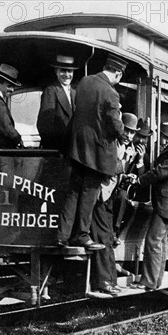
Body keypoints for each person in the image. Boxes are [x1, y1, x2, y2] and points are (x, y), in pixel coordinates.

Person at [57, 56, 128, 250]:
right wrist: (123, 135)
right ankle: (82, 235)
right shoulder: (111, 93)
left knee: (73, 192)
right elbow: (114, 123)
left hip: (77, 148)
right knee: (89, 194)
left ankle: (62, 235)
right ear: (118, 74)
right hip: (97, 154)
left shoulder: (85, 82)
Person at [129, 114, 168, 290]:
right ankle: (155, 281)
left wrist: (139, 180)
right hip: (166, 199)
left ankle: (148, 281)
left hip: (167, 201)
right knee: (160, 241)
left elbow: (160, 172)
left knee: (153, 240)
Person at [89, 113, 139, 295]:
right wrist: (123, 167)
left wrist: (124, 176)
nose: (129, 136)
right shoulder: (110, 144)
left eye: (133, 133)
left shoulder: (122, 146)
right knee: (102, 238)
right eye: (127, 130)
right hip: (99, 196)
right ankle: (103, 282)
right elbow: (105, 168)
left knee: (108, 238)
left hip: (108, 195)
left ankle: (110, 280)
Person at [36, 55, 78, 151]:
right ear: (56, 72)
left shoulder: (75, 91)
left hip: (72, 149)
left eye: (70, 71)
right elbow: (44, 125)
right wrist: (54, 149)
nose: (67, 75)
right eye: (63, 71)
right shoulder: (50, 91)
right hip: (57, 149)